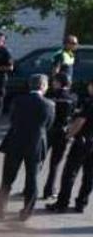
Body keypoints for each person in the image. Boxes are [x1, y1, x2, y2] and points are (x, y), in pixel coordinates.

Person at [0, 74, 55, 220]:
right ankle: (26, 212)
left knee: (7, 178)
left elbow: (12, 118)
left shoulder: (18, 100)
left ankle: (0, 210)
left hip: (15, 141)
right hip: (35, 144)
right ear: (43, 86)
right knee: (32, 178)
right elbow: (48, 125)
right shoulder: (49, 104)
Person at [47, 80, 93, 213]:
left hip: (83, 142)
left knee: (69, 173)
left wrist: (68, 135)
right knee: (89, 176)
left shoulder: (89, 103)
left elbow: (80, 121)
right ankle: (81, 204)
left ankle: (62, 203)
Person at [42, 72, 77, 200]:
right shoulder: (73, 97)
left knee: (38, 161)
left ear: (59, 82)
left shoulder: (49, 95)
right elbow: (73, 115)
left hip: (48, 131)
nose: (52, 83)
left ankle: (28, 189)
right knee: (55, 164)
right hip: (62, 132)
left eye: (55, 81)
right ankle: (49, 190)